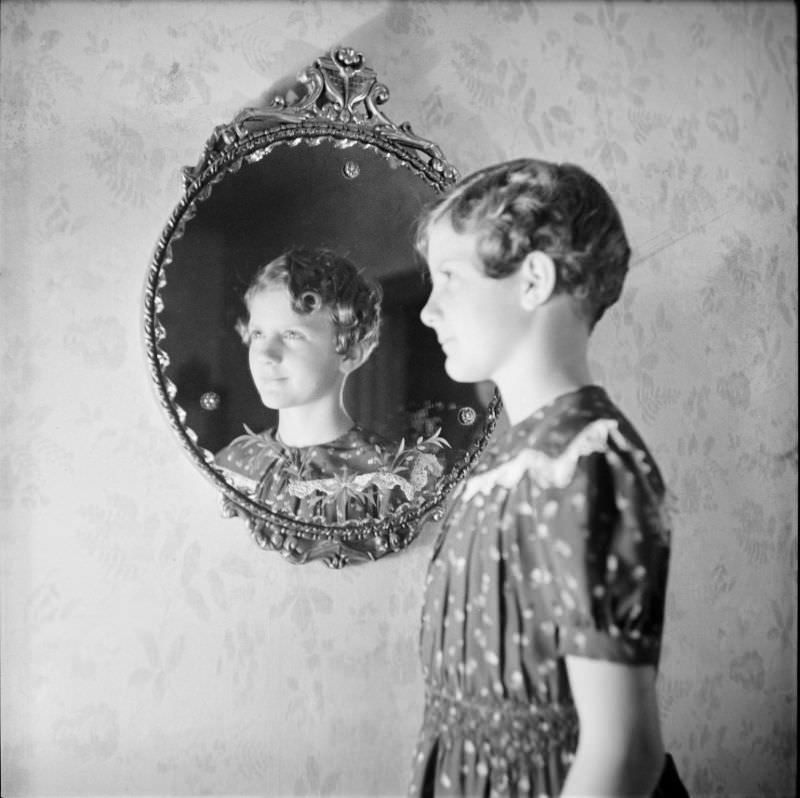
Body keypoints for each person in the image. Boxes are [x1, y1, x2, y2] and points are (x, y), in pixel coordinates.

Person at [408, 159, 688, 796]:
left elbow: (625, 752)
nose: (428, 311)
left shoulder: (585, 466)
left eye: (449, 278)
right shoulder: (502, 463)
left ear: (533, 278)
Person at [215, 248, 445, 525]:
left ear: (350, 354)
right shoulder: (231, 464)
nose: (266, 355)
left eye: (292, 334)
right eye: (258, 334)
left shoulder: (391, 477)